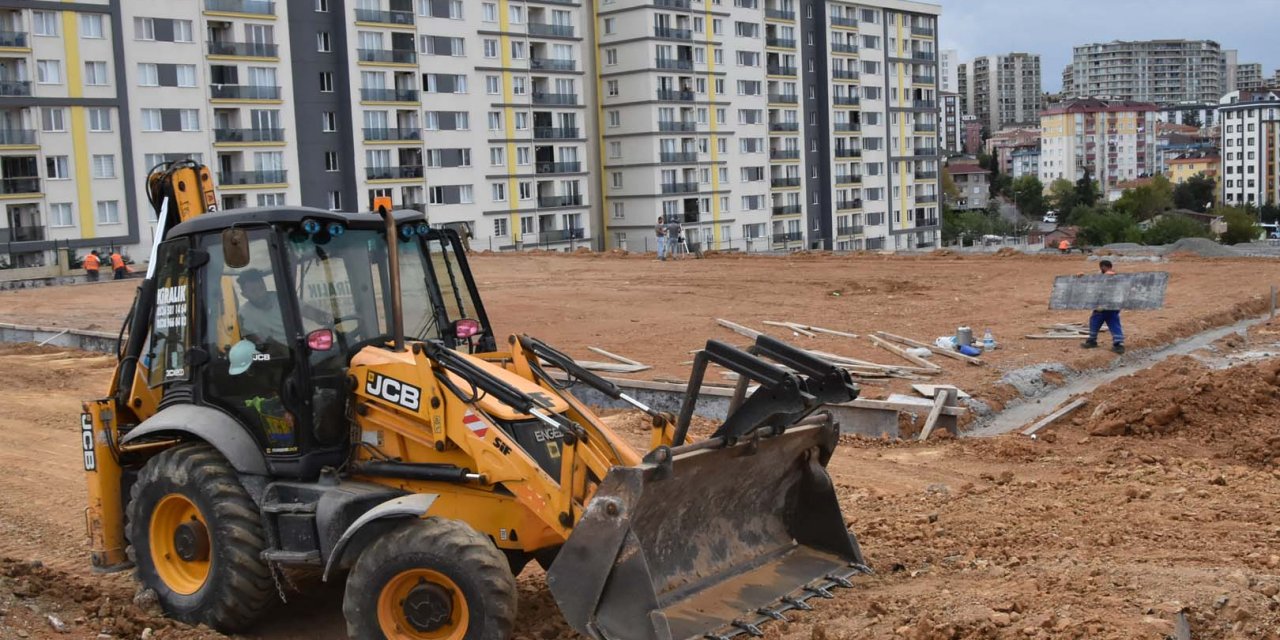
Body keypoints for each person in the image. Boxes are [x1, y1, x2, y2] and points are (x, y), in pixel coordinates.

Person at [1081, 259, 1124, 354]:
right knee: (1106, 322)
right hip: (1107, 305)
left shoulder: (1111, 275)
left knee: (1103, 322)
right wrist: (1082, 276)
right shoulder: (1103, 275)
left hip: (1107, 305)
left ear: (1103, 267)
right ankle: (1116, 344)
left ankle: (1094, 341)